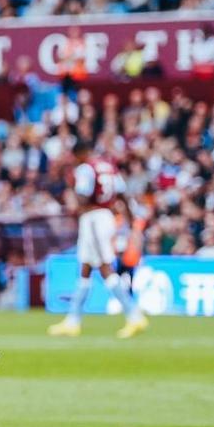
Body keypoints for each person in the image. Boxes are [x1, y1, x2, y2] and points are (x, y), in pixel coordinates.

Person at [48, 140, 148, 339]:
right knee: (85, 268)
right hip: (105, 216)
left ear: (80, 154)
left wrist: (71, 189)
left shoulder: (85, 169)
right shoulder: (108, 166)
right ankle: (73, 321)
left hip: (93, 218)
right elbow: (122, 194)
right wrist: (130, 220)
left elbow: (83, 197)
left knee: (104, 267)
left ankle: (134, 315)